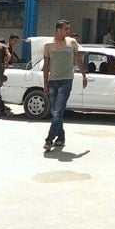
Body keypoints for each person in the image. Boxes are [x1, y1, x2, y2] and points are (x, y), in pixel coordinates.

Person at [42, 20, 88, 151]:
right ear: (58, 29)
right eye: (65, 29)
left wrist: (84, 75)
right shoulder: (48, 45)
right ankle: (61, 137)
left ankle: (49, 140)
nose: (68, 31)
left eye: (68, 29)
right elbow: (46, 65)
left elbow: (78, 59)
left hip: (66, 81)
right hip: (53, 81)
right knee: (55, 112)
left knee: (58, 111)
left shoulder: (71, 42)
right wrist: (45, 83)